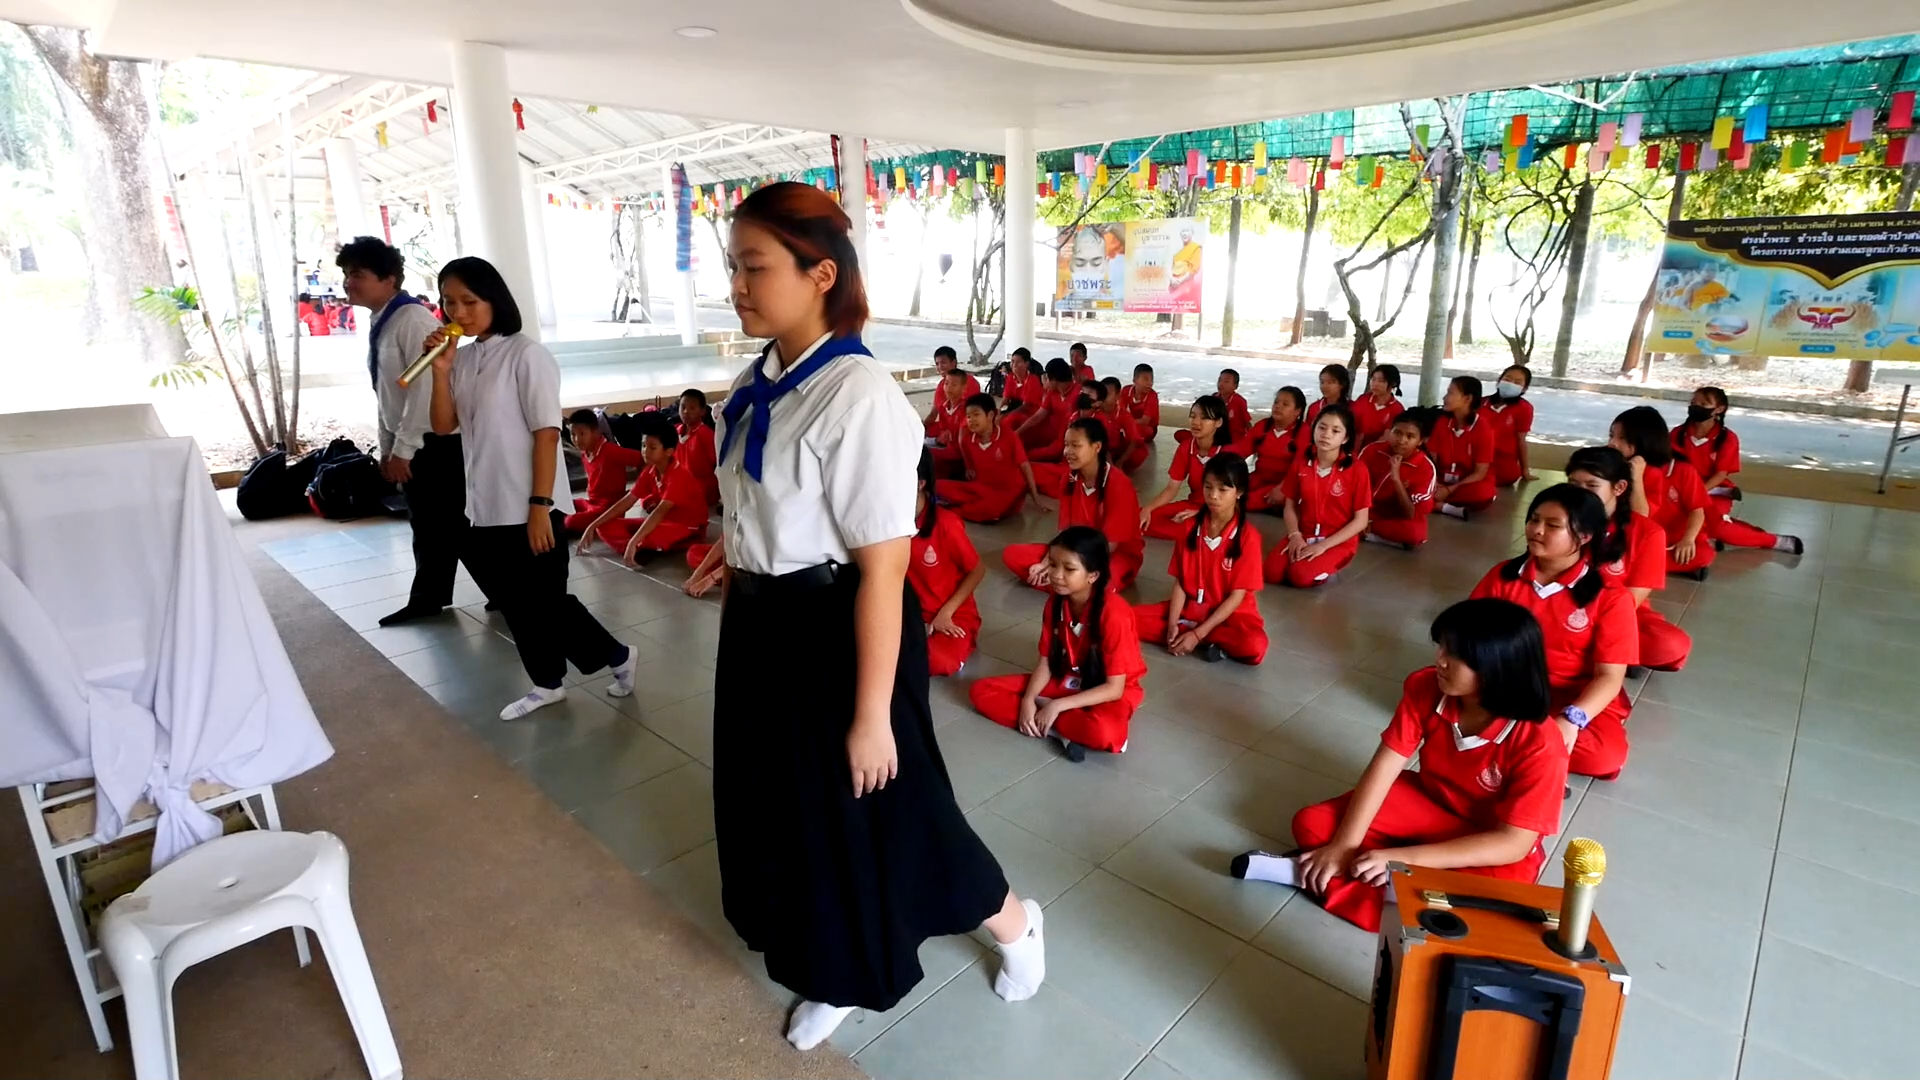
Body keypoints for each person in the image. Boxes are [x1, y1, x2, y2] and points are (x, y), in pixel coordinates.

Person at [706, 182, 1044, 1050]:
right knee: (791, 811)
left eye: (754, 267)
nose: (737, 286)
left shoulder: (856, 397)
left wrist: (868, 715)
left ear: (821, 274)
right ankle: (831, 963)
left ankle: (1013, 923)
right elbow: (752, 517)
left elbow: (884, 570)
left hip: (836, 632)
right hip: (761, 629)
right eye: (733, 267)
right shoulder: (758, 382)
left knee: (899, 811)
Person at [1231, 599, 1568, 933]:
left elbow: (1512, 843)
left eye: (1455, 655)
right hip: (1430, 801)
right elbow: (1385, 764)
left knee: (1486, 903)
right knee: (1313, 825)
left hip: (1488, 837)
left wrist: (1406, 859)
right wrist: (1343, 846)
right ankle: (1379, 883)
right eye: (1441, 647)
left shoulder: (1540, 741)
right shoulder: (1426, 687)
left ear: (1496, 667)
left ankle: (1308, 875)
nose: (1440, 660)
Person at [423, 256, 635, 720]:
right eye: (449, 302)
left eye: (469, 301)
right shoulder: (465, 358)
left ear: (494, 299)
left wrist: (540, 506)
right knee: (517, 603)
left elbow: (546, 434)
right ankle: (548, 683)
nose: (458, 312)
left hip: (531, 502)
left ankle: (616, 655)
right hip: (485, 504)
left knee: (544, 600)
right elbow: (443, 426)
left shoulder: (527, 355)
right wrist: (440, 371)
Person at [337, 235, 472, 627]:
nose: (348, 283)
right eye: (347, 274)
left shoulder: (412, 320)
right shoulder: (385, 319)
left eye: (358, 275)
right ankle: (438, 598)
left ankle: (502, 595)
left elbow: (425, 388)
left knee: (444, 526)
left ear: (389, 279)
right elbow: (389, 393)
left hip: (434, 443)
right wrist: (387, 445)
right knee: (440, 527)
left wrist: (404, 449)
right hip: (415, 441)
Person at [1469, 484, 1637, 780]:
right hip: (1506, 688)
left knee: (1604, 756)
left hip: (1568, 697)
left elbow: (1609, 677)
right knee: (1435, 692)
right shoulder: (1503, 576)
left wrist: (1571, 719)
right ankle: (1527, 745)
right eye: (1534, 519)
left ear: (1584, 536)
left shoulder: (1611, 598)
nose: (1536, 530)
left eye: (1553, 525)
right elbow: (1469, 637)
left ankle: (1511, 743)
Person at [968, 526, 1146, 762]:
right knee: (981, 691)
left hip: (1106, 689)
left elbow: (1114, 689)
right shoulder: (1055, 602)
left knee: (1105, 733)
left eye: (1069, 569)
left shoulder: (1115, 613)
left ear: (1093, 575)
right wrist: (1028, 699)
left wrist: (1057, 705)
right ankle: (1060, 731)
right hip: (1068, 678)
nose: (1056, 575)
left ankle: (1051, 720)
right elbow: (1045, 663)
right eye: (1052, 565)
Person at [1566, 446, 1691, 672]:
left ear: (1619, 487)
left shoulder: (1648, 532)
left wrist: (1588, 621)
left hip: (1617, 613)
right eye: (1574, 485)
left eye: (1592, 486)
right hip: (1559, 604)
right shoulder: (1559, 519)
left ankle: (1595, 651)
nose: (1581, 493)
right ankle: (1611, 655)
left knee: (1670, 644)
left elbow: (1633, 598)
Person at [1134, 453, 1267, 665]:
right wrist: (1172, 624)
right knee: (1125, 618)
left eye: (1223, 490)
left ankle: (1199, 636)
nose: (1213, 495)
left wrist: (1197, 634)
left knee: (1254, 645)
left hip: (1230, 617)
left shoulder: (1248, 538)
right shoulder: (1189, 527)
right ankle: (1197, 637)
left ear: (1239, 493)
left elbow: (1236, 597)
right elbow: (1180, 583)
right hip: (1190, 610)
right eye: (1208, 487)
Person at [1002, 417, 1144, 592]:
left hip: (1111, 554)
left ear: (1097, 447)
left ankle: (1064, 584)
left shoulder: (1119, 484)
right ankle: (1070, 586)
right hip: (1075, 550)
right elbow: (1065, 533)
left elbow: (1111, 544)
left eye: (1075, 445)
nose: (1067, 451)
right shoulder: (1068, 480)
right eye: (1066, 445)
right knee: (1012, 555)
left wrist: (1063, 567)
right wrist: (1049, 562)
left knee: (1102, 584)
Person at [1671, 386, 1804, 555]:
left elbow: (1721, 474)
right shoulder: (1677, 434)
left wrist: (1698, 492)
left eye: (1704, 404)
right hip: (1682, 490)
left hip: (1713, 490)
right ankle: (1716, 535)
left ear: (1719, 409)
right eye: (1693, 403)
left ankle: (1774, 541)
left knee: (1717, 527)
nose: (1696, 407)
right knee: (1676, 520)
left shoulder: (1727, 438)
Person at [575, 415, 710, 564]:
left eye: (652, 447)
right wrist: (592, 525)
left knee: (649, 535)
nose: (645, 451)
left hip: (686, 526)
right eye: (643, 445)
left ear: (669, 451)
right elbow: (628, 500)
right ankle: (638, 549)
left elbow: (659, 512)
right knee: (604, 526)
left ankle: (638, 546)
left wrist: (634, 539)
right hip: (662, 521)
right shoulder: (650, 471)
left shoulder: (678, 475)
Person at [1265, 404, 1371, 588]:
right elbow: (1290, 505)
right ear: (1313, 429)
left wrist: (1323, 546)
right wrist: (1295, 535)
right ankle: (1308, 560)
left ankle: (1330, 565)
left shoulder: (1357, 470)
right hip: (1304, 533)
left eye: (1335, 431)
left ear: (1345, 438)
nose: (1326, 435)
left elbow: (1361, 521)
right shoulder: (1302, 462)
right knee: (1271, 573)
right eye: (1322, 427)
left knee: (1299, 576)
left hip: (1337, 540)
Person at [1609, 406, 1713, 580]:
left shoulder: (1680, 470)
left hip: (1671, 538)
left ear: (1645, 441)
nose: (1613, 443)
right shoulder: (1613, 465)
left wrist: (1687, 540)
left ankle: (1634, 565)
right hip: (1633, 536)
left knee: (1703, 554)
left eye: (1622, 438)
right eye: (1611, 435)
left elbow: (1697, 510)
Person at [910, 449, 985, 678]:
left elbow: (977, 570)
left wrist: (946, 613)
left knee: (936, 662)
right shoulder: (888, 523)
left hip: (950, 613)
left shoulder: (946, 523)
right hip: (909, 613)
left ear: (920, 483)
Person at [1139, 395, 1235, 541]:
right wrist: (1148, 509)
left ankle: (1199, 531)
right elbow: (1171, 489)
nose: (1196, 422)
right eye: (1193, 416)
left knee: (1196, 528)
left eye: (1204, 418)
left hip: (1218, 510)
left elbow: (1233, 500)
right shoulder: (1186, 447)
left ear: (1219, 422)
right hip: (1192, 504)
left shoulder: (1228, 453)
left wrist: (1201, 514)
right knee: (1141, 516)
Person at [943, 393, 1045, 522]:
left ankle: (952, 510)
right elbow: (969, 466)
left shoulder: (1009, 436)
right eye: (968, 416)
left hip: (1007, 493)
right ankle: (959, 507)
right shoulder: (968, 440)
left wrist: (1036, 499)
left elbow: (1025, 466)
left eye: (976, 415)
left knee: (991, 509)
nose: (971, 420)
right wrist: (969, 468)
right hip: (981, 489)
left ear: (991, 415)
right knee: (940, 487)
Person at [1361, 408, 1439, 550]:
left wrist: (1396, 480)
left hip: (1392, 517)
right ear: (1390, 431)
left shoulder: (1426, 468)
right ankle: (1365, 532)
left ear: (1421, 441)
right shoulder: (1372, 450)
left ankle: (1364, 530)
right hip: (1362, 510)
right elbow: (1351, 484)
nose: (1402, 440)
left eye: (1410, 436)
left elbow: (1410, 514)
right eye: (1397, 433)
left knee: (1415, 533)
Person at [561, 408, 644, 535]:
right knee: (563, 506)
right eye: (573, 434)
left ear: (596, 432)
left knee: (570, 522)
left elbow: (642, 459)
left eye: (582, 434)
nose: (577, 439)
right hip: (592, 503)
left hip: (608, 509)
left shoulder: (610, 451)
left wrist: (638, 488)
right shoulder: (585, 453)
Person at [1428, 375, 1498, 519]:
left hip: (1464, 483)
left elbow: (1480, 472)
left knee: (1483, 493)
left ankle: (1430, 502)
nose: (1445, 398)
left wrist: (1449, 490)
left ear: (1467, 399)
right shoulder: (1442, 422)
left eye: (1450, 393)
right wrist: (1436, 483)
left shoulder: (1483, 429)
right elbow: (1431, 459)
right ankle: (1444, 507)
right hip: (1440, 480)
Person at [1247, 386, 1307, 514]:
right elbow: (1241, 447)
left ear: (1297, 411)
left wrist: (1283, 488)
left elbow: (1299, 465)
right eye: (1276, 402)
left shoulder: (1303, 432)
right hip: (1259, 479)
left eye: (1285, 404)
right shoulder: (1263, 426)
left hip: (1286, 484)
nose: (1278, 406)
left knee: (1244, 501)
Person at [1013, 358, 1077, 459]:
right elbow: (1038, 416)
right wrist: (1017, 432)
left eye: (1047, 378)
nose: (1044, 381)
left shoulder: (1078, 394)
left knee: (1029, 456)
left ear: (1054, 380)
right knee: (1017, 424)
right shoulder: (1052, 392)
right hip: (1048, 433)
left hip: (1063, 440)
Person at [1487, 365, 1536, 487]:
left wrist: (1525, 470)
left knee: (1508, 475)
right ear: (1499, 381)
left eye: (1517, 382)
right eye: (1507, 379)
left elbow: (1521, 440)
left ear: (1524, 389)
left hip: (1502, 462)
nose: (1510, 384)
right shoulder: (1481, 403)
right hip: (1475, 457)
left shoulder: (1524, 408)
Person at [677, 389, 721, 507]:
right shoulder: (676, 432)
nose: (686, 412)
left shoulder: (705, 434)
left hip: (703, 486)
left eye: (692, 408)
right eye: (683, 407)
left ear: (702, 411)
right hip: (682, 482)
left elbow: (716, 462)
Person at [926, 367, 972, 477]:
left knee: (926, 454)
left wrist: (969, 466)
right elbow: (944, 430)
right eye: (946, 383)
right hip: (948, 447)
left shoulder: (966, 409)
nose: (949, 388)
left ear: (964, 388)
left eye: (954, 385)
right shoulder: (943, 407)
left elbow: (963, 441)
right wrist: (943, 436)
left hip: (961, 452)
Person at [925, 345, 981, 434]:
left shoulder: (969, 382)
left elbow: (972, 414)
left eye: (943, 363)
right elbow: (934, 413)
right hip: (946, 428)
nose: (940, 367)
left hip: (966, 428)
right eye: (937, 364)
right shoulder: (941, 385)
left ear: (953, 363)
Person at [1353, 364, 1406, 448]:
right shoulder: (1363, 400)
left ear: (1393, 383)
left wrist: (1367, 451)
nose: (1375, 384)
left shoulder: (1397, 409)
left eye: (1381, 381)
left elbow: (1386, 437)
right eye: (1373, 379)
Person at [1118, 363, 1160, 445]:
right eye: (1145, 379)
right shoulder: (1126, 390)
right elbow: (1120, 411)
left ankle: (1125, 436)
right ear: (1135, 380)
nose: (1150, 383)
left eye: (1152, 380)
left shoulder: (1152, 396)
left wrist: (1125, 423)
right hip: (1129, 423)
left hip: (1147, 427)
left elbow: (1145, 421)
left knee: (1146, 431)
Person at [1305, 363, 1353, 431]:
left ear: (1342, 384)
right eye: (1322, 382)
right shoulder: (1314, 407)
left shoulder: (1353, 408)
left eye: (1330, 382)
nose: (1324, 386)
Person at [1001, 348, 1043, 423]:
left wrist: (1006, 415)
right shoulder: (1010, 377)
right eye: (1012, 361)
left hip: (1029, 413)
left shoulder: (1033, 380)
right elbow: (1005, 398)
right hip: (1015, 409)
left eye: (1018, 362)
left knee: (1008, 421)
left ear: (1026, 364)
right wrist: (998, 410)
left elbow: (1026, 406)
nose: (1014, 365)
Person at [1217, 368, 1252, 444]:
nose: (1221, 384)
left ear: (1235, 386)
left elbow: (1247, 423)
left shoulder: (1239, 401)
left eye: (1226, 381)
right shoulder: (1214, 398)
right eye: (1219, 380)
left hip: (1236, 440)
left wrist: (1253, 439)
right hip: (1218, 439)